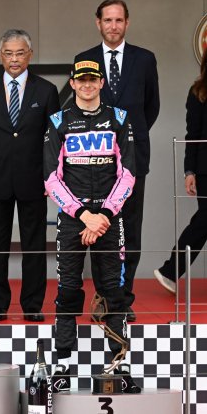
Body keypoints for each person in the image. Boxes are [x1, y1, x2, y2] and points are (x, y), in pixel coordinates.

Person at [44, 60, 140, 394]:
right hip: (74, 217)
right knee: (68, 288)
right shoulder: (59, 122)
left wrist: (105, 215)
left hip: (110, 216)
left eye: (92, 79)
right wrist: (85, 215)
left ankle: (119, 356)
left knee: (113, 288)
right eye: (81, 79)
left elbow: (129, 173)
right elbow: (51, 179)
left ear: (101, 83)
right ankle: (63, 359)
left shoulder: (119, 118)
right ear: (72, 83)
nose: (87, 85)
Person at [75, 0, 159, 321]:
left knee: (130, 231)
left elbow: (150, 107)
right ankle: (104, 298)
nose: (113, 26)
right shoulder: (85, 59)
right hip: (93, 160)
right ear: (98, 23)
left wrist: (127, 136)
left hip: (132, 159)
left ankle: (123, 299)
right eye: (107, 20)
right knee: (99, 229)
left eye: (118, 20)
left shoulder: (144, 59)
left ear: (127, 23)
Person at [0, 29, 59, 323]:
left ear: (30, 55)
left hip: (35, 179)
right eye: (9, 53)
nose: (15, 59)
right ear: (0, 56)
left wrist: (52, 178)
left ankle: (33, 305)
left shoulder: (46, 91)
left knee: (34, 246)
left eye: (20, 53)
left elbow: (54, 139)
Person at [154, 51, 207, 294]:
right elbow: (193, 135)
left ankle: (170, 271)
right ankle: (170, 271)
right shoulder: (198, 92)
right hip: (206, 169)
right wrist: (189, 171)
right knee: (205, 219)